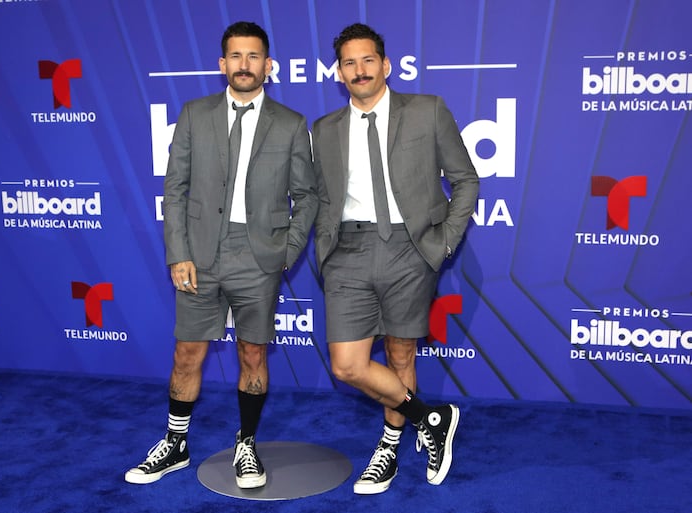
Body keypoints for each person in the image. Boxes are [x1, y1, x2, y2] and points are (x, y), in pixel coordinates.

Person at [125, 21, 317, 489]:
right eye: (235, 56)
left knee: (253, 353)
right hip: (199, 256)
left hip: (258, 258)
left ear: (268, 66)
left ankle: (246, 444)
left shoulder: (291, 124)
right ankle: (175, 443)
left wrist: (284, 253)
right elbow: (174, 190)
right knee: (188, 352)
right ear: (221, 64)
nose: (244, 65)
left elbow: (308, 197)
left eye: (253, 57)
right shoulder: (194, 114)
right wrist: (178, 253)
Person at [312, 23, 479, 495]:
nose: (359, 70)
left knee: (402, 352)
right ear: (339, 72)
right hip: (347, 250)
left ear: (385, 65)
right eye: (349, 63)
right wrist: (323, 249)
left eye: (368, 60)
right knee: (347, 365)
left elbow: (465, 179)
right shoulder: (323, 130)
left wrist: (443, 241)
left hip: (412, 249)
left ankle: (389, 445)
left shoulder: (427, 111)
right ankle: (431, 418)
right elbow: (318, 196)